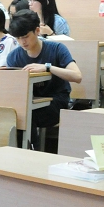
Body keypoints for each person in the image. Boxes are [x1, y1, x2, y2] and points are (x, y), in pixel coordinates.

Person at [5, 10, 82, 149]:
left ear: (37, 31)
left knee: (28, 115)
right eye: (18, 38)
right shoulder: (13, 57)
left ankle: (31, 152)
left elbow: (77, 76)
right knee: (13, 114)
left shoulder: (57, 48)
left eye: (26, 36)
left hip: (56, 101)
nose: (22, 42)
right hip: (30, 102)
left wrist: (48, 67)